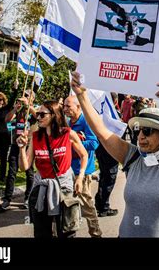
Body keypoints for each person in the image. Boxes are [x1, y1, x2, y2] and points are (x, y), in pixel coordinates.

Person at [71, 72, 159, 237]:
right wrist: (81, 95)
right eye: (138, 130)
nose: (140, 136)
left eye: (147, 131)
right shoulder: (132, 156)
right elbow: (102, 131)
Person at [16, 100, 88, 238]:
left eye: (42, 114)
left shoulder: (68, 134)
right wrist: (21, 148)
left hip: (64, 186)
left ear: (54, 115)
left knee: (66, 230)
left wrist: (80, 177)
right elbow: (24, 166)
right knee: (41, 231)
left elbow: (84, 155)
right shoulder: (36, 136)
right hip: (42, 187)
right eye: (37, 114)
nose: (38, 117)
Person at [63, 95, 102, 237]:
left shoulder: (86, 121)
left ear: (78, 107)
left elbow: (94, 143)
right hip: (68, 169)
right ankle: (69, 230)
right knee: (68, 202)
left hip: (83, 171)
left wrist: (75, 142)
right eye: (64, 106)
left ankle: (96, 233)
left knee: (87, 205)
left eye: (69, 106)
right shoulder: (67, 122)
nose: (65, 109)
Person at [0, 91, 36, 211]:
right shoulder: (19, 110)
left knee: (29, 173)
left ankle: (28, 197)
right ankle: (7, 199)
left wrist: (28, 105)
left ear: (32, 99)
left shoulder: (35, 109)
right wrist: (15, 109)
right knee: (11, 172)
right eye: (23, 95)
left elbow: (37, 116)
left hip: (29, 145)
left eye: (27, 95)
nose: (23, 97)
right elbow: (7, 120)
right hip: (16, 143)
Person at [94, 143, 119, 217]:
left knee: (105, 176)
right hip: (109, 147)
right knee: (109, 177)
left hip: (102, 147)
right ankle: (104, 207)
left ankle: (100, 205)